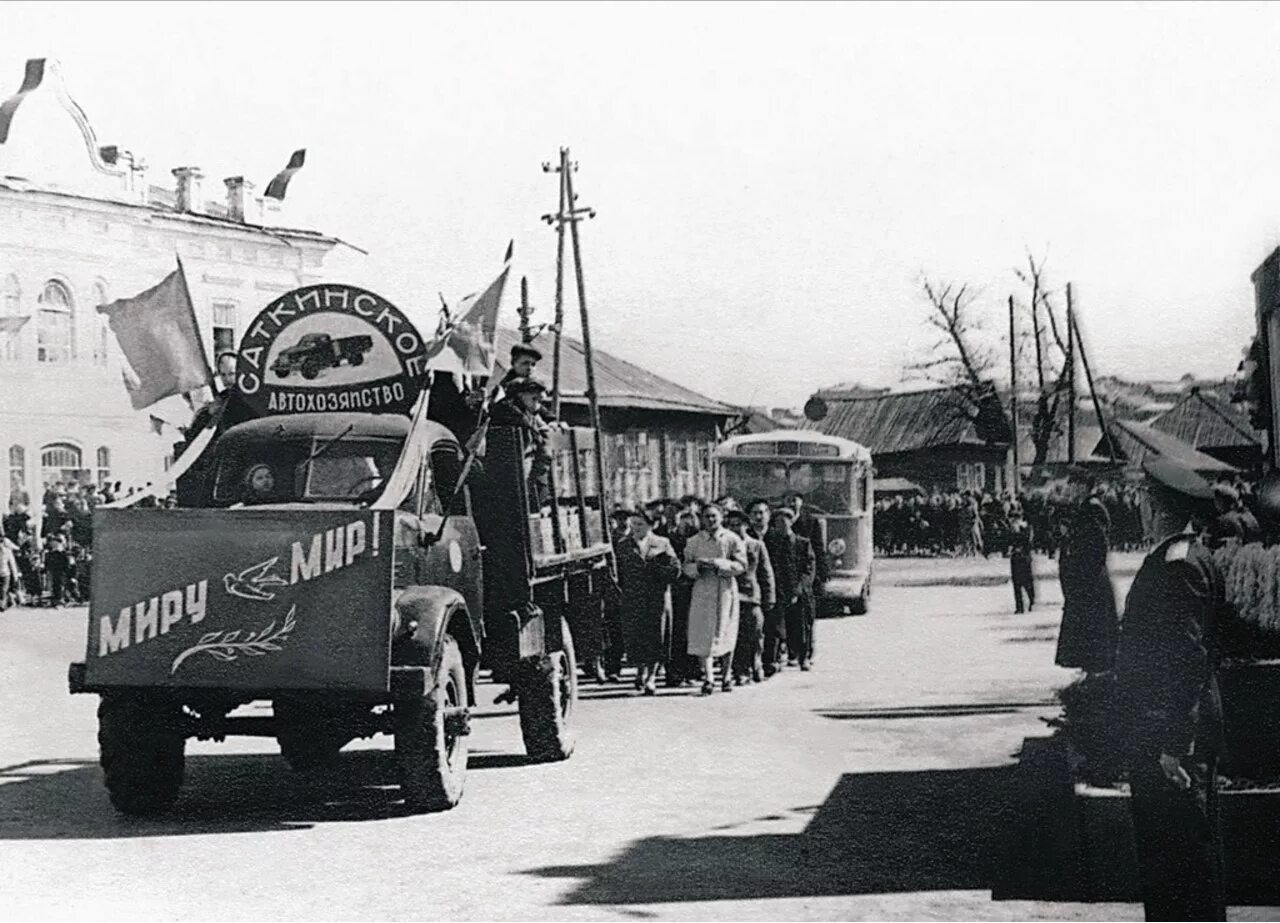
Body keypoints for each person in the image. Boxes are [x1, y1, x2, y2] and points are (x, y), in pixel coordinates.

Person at [1115, 457, 1228, 921]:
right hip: (1174, 726)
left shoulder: (1177, 566)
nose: (1140, 505)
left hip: (1170, 733)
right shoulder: (1190, 557)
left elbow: (1187, 658)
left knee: (1178, 861)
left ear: (1160, 508)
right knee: (1181, 857)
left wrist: (1174, 744)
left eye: (1146, 498)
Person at [682, 503, 746, 695]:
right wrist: (698, 568)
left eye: (714, 516)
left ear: (721, 517)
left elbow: (742, 565)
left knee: (726, 631)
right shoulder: (694, 541)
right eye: (707, 516)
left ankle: (726, 677)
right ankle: (708, 678)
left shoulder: (732, 539)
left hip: (725, 589)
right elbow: (686, 565)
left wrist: (720, 564)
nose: (710, 520)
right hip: (703, 589)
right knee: (704, 632)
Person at [615, 509, 681, 695]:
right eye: (633, 524)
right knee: (635, 636)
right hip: (633, 598)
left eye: (640, 524)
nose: (635, 528)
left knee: (656, 637)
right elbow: (617, 572)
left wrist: (658, 570)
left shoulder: (662, 543)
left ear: (651, 526)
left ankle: (651, 677)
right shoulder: (623, 545)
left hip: (657, 598)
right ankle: (639, 672)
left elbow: (675, 569)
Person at [1055, 485, 1118, 674]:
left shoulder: (1092, 507)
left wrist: (1083, 569)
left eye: (1074, 484)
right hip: (1086, 578)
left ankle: (1095, 672)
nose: (1070, 488)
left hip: (1090, 579)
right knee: (1087, 627)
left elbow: (1099, 544)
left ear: (1083, 486)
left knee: (1093, 627)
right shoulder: (1085, 506)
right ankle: (1090, 669)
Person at [764, 508, 816, 672]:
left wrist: (798, 590)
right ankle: (775, 659)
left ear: (792, 521)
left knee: (801, 627)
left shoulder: (802, 543)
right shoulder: (770, 543)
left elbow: (808, 570)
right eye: (778, 521)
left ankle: (804, 657)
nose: (782, 524)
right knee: (776, 627)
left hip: (798, 592)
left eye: (785, 520)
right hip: (778, 591)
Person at [726, 509, 775, 685]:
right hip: (731, 595)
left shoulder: (756, 545)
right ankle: (740, 671)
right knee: (736, 635)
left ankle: (756, 663)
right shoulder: (725, 545)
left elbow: (765, 572)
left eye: (738, 524)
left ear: (746, 525)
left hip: (752, 596)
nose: (734, 528)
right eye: (730, 525)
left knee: (755, 633)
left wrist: (769, 597)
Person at [1007, 504, 1036, 613]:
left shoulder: (1026, 528)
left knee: (1026, 580)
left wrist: (1019, 532)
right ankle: (1019, 607)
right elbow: (1008, 541)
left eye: (1015, 519)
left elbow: (1028, 543)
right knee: (1016, 582)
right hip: (1015, 557)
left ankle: (1031, 600)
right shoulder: (1012, 529)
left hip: (1024, 557)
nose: (1013, 521)